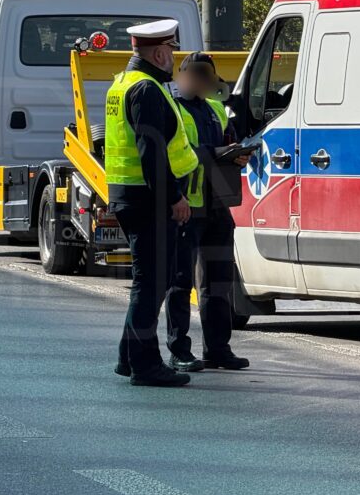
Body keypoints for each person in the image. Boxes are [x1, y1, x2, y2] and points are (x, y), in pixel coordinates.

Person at [105, 19, 199, 387]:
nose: (173, 57)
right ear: (159, 52)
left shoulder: (123, 83)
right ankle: (145, 365)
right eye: (172, 51)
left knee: (148, 282)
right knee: (152, 284)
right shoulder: (146, 89)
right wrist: (173, 197)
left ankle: (129, 358)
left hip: (130, 195)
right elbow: (152, 153)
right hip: (148, 199)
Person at [167, 51, 252, 372]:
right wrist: (216, 152)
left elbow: (228, 142)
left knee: (218, 282)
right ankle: (178, 350)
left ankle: (218, 349)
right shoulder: (173, 109)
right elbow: (175, 153)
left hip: (217, 205)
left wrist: (237, 153)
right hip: (187, 206)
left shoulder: (216, 109)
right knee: (180, 282)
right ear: (183, 76)